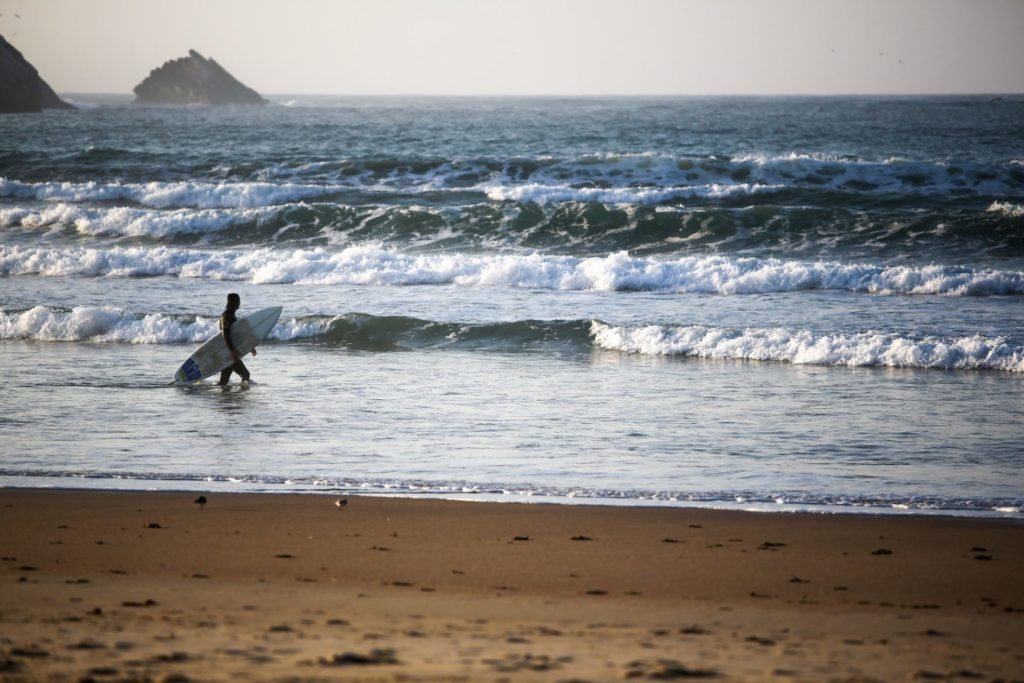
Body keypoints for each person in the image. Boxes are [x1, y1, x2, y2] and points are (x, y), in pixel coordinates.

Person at [219, 292, 256, 386]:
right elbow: (225, 335)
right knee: (246, 375)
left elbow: (237, 335)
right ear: (235, 302)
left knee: (224, 381)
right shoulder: (226, 316)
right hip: (229, 352)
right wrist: (232, 351)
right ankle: (240, 397)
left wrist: (250, 347)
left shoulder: (231, 315)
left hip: (228, 351)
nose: (239, 303)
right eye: (238, 301)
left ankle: (224, 398)